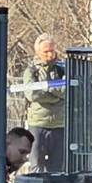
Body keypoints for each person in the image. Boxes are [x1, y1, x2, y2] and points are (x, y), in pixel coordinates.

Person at [22, 34, 67, 173]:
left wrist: (46, 87)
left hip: (59, 125)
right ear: (38, 53)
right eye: (45, 51)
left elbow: (66, 92)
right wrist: (56, 94)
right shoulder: (31, 71)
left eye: (52, 51)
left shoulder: (62, 69)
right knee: (36, 166)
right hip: (37, 125)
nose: (50, 54)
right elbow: (32, 94)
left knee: (57, 168)